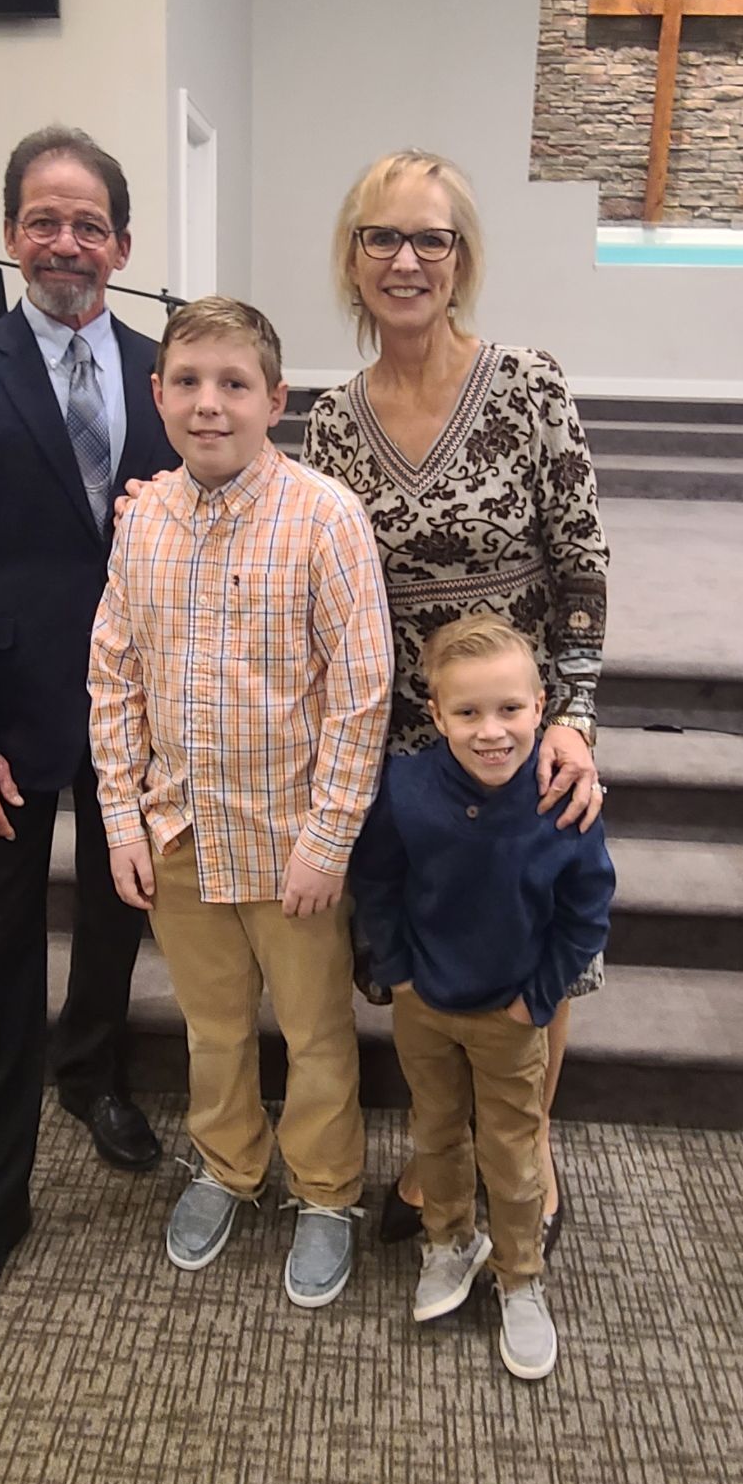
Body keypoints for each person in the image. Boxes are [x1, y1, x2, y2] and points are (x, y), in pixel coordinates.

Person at [0, 125, 179, 1360]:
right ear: (12, 233)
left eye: (88, 222)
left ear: (122, 242)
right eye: (41, 219)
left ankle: (91, 1072)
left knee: (118, 919)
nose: (65, 242)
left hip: (136, 718)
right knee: (1, 951)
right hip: (5, 722)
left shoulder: (172, 373)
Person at [303, 150, 609, 1252]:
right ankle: (446, 1154)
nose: (406, 258)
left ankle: (523, 1150)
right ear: (352, 258)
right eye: (383, 236)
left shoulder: (528, 383)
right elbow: (315, 572)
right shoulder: (334, 420)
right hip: (404, 742)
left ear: (461, 258)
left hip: (518, 729)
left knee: (531, 934)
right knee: (436, 951)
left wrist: (571, 717)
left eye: (430, 238)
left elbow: (582, 567)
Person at [88, 295, 394, 1311]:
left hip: (291, 840)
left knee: (311, 1033)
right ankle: (229, 1164)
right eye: (187, 382)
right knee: (212, 1028)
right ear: (157, 395)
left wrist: (329, 837)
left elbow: (360, 693)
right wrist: (123, 820)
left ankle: (326, 1190)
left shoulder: (324, 517)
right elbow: (113, 678)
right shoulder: (142, 521)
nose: (208, 404)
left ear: (276, 399)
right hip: (181, 832)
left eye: (232, 384)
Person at [351, 613, 614, 1380]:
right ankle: (448, 1241)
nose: (490, 731)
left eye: (509, 710)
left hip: (510, 1014)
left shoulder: (561, 800)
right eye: (466, 712)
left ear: (541, 706)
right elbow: (377, 883)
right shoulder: (405, 789)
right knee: (433, 1133)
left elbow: (586, 909)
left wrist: (536, 1000)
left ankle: (520, 1276)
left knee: (511, 1151)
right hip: (424, 1003)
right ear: (435, 714)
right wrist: (398, 973)